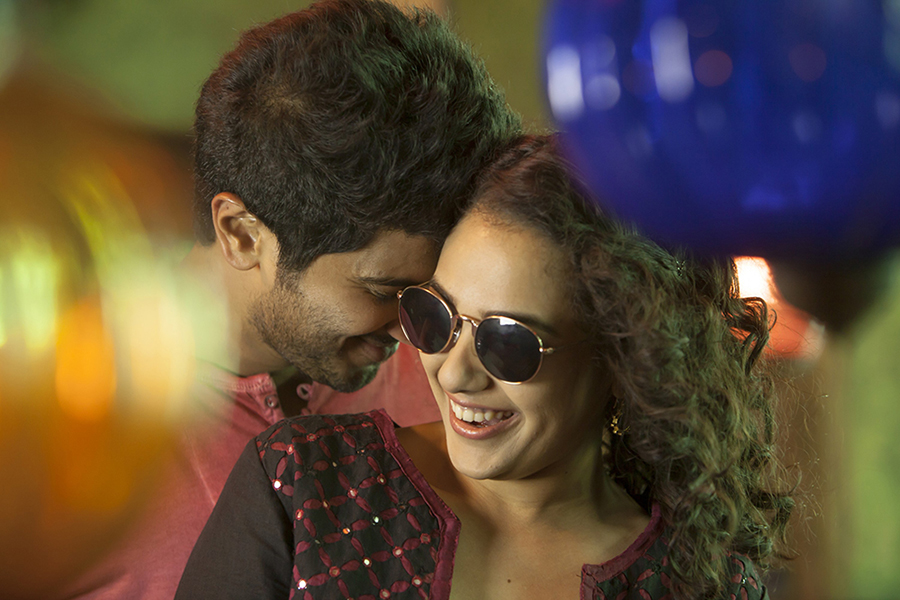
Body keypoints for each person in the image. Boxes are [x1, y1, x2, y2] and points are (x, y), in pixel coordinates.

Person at [175, 135, 793, 600]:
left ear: (625, 357)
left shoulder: (700, 581)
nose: (455, 374)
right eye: (434, 316)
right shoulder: (305, 481)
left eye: (508, 343)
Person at [57, 1, 520, 598]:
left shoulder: (463, 380)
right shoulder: (57, 423)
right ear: (242, 234)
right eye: (383, 291)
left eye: (433, 295)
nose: (418, 335)